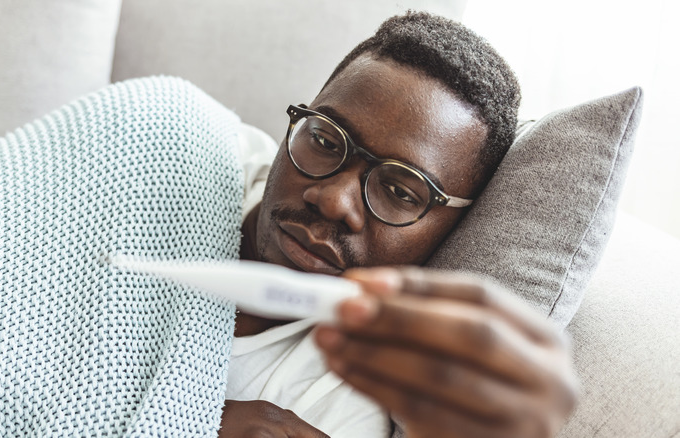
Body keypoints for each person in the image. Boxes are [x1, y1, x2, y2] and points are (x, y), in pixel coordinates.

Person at [219, 11, 578, 438]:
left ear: (449, 232)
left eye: (400, 192)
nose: (335, 201)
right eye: (325, 140)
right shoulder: (171, 146)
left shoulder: (340, 402)